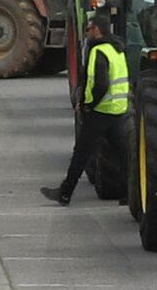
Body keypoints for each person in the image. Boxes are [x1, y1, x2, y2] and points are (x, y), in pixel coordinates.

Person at [48, 21, 131, 204]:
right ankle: (129, 194)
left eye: (88, 30)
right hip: (118, 109)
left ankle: (65, 193)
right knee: (124, 153)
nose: (86, 34)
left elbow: (100, 84)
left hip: (100, 112)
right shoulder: (118, 49)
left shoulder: (98, 51)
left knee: (81, 153)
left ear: (97, 30)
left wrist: (88, 104)